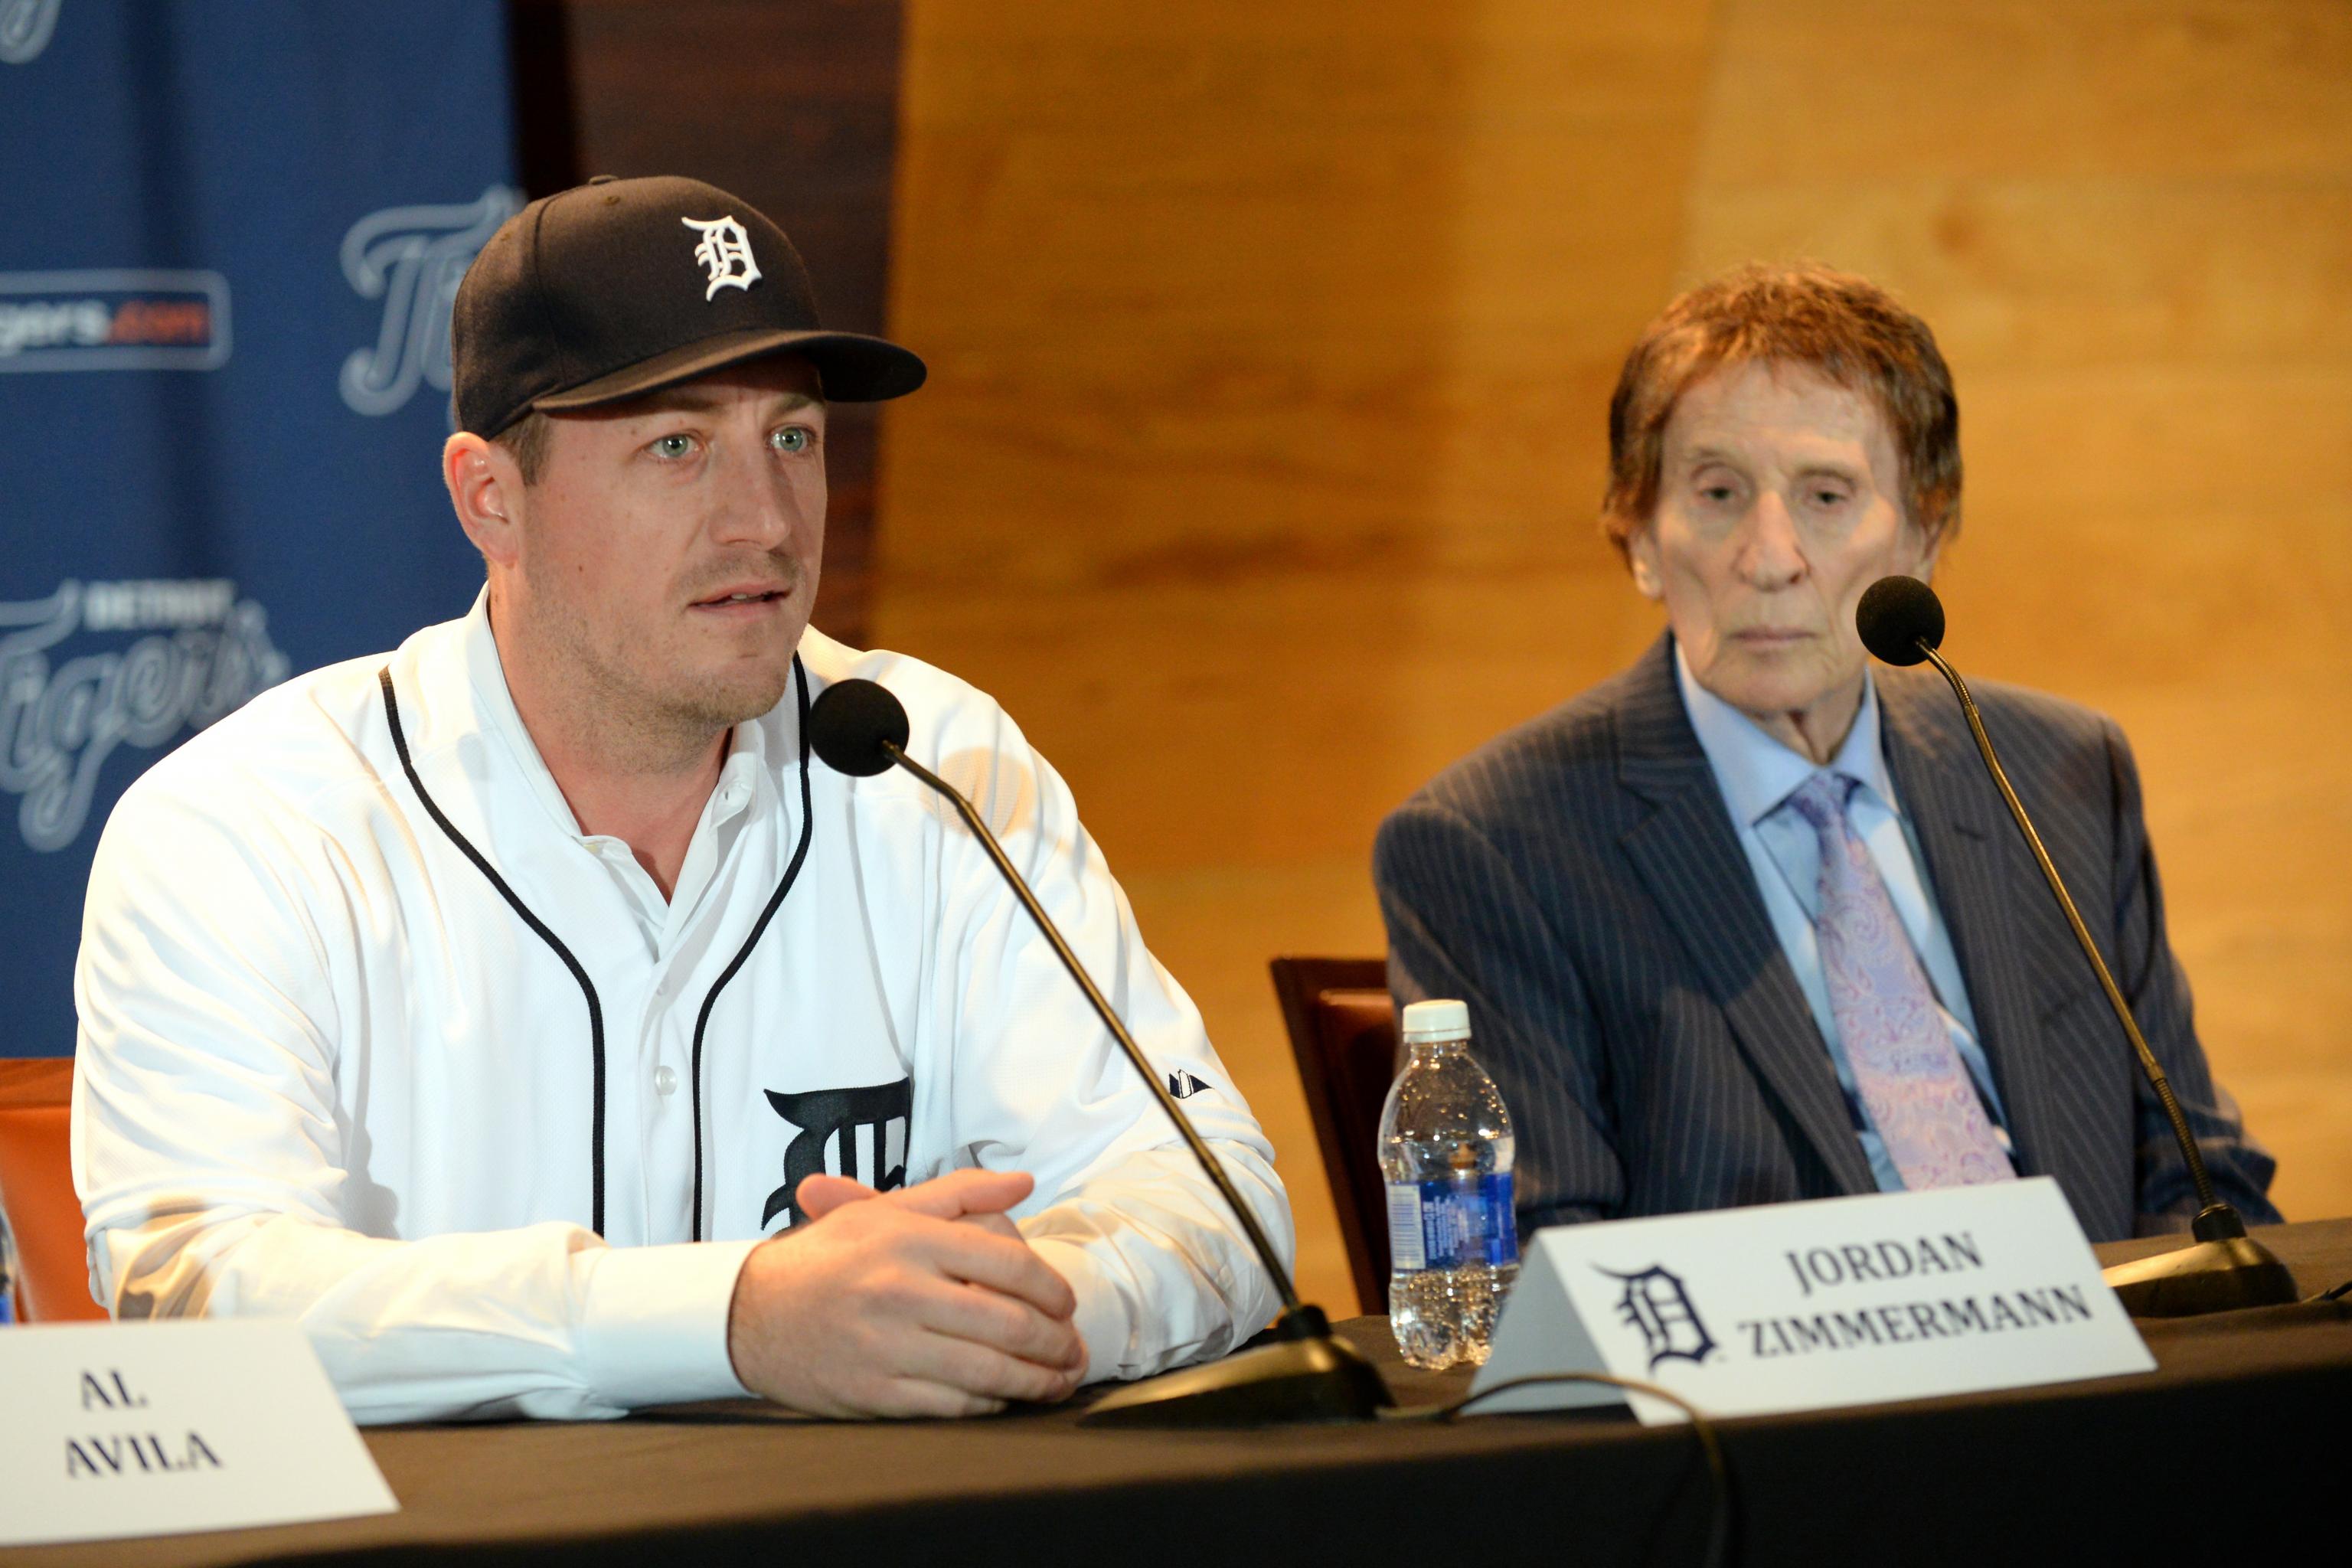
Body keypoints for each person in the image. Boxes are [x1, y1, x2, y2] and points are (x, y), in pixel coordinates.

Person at [73, 176, 1289, 1423]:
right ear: (491, 495)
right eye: (676, 446)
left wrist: (985, 1315)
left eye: (793, 438)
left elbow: (1217, 1202)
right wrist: (737, 1317)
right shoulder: (248, 824)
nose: (764, 519)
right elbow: (201, 1292)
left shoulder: (932, 762)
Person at [1374, 262, 2277, 1243]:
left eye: (1827, 495)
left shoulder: (2058, 771)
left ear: (1925, 534)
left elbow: (2200, 1174)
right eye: (1717, 492)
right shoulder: (1494, 843)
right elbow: (1546, 1259)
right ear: (1636, 531)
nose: (1770, 556)